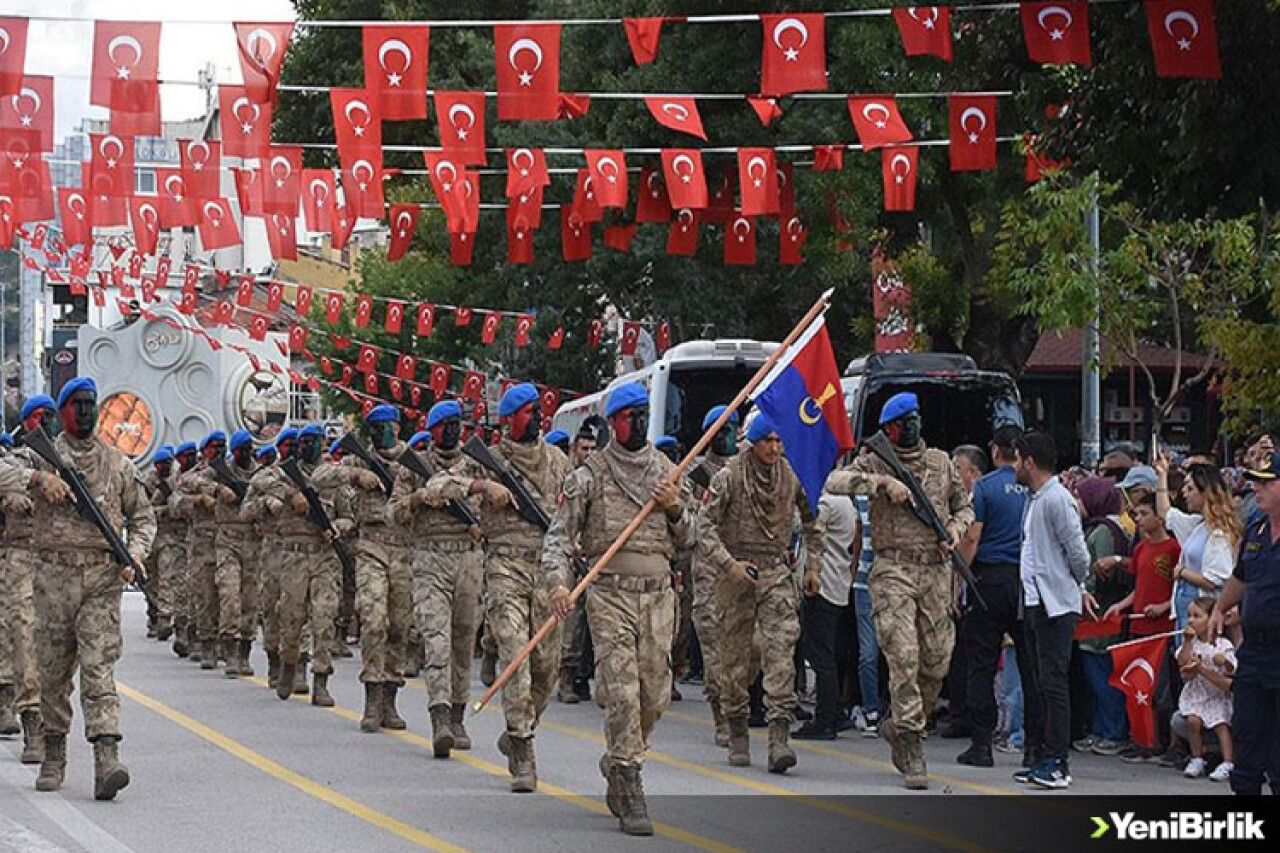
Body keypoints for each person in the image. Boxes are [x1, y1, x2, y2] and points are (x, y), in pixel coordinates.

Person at [544, 382, 691, 835]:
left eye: (643, 414)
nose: (638, 422)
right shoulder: (590, 475)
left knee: (655, 694)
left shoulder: (668, 471)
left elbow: (688, 541)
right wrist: (557, 585)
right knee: (623, 692)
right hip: (610, 594)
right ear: (613, 423)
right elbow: (557, 537)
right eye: (629, 416)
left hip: (659, 594)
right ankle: (629, 781)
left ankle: (620, 758)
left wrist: (674, 510)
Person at [424, 383, 568, 793]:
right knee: (516, 660)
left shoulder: (558, 460)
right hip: (504, 568)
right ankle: (523, 753)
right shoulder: (486, 461)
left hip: (548, 570)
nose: (536, 417)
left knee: (546, 670)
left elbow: (573, 512)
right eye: (526, 411)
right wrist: (481, 487)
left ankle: (519, 732)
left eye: (538, 409)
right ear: (508, 420)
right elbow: (436, 487)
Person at [826, 392, 973, 790]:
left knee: (937, 661)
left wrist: (956, 532)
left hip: (935, 571)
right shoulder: (875, 460)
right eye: (903, 421)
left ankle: (905, 722)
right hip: (892, 570)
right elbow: (834, 481)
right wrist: (879, 483)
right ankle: (912, 744)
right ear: (889, 429)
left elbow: (964, 507)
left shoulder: (941, 463)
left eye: (915, 418)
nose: (911, 426)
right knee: (903, 657)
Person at [29, 377, 156, 799]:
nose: (84, 412)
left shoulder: (118, 464)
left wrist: (135, 554)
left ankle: (107, 759)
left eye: (90, 405)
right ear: (63, 412)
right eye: (77, 405)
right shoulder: (41, 456)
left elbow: (143, 519)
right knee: (53, 671)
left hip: (101, 580)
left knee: (99, 669)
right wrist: (36, 480)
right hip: (53, 578)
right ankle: (53, 753)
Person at [700, 411, 823, 774]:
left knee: (780, 653)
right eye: (767, 441)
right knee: (735, 664)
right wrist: (728, 565)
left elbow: (814, 521)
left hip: (775, 575)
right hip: (736, 576)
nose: (774, 447)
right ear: (753, 443)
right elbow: (703, 526)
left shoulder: (792, 477)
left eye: (778, 441)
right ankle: (737, 731)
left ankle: (779, 739)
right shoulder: (728, 478)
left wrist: (813, 566)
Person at [390, 404, 487, 757]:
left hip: (468, 557)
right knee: (436, 639)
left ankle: (459, 713)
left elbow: (492, 507)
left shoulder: (476, 464)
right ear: (431, 429)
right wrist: (416, 500)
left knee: (463, 640)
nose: (450, 430)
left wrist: (481, 527)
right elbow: (393, 513)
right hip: (430, 558)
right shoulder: (414, 467)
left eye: (454, 424)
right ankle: (440, 717)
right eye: (443, 425)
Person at [954, 426, 1042, 771]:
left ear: (994, 451)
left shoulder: (984, 488)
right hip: (1026, 583)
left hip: (989, 580)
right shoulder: (1034, 487)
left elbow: (972, 539)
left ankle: (981, 744)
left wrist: (959, 578)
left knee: (981, 664)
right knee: (1030, 667)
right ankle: (1034, 747)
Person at [1012, 431, 1091, 790]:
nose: (1014, 466)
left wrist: (1073, 587)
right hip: (1035, 601)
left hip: (1055, 605)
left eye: (1017, 459)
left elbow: (1078, 554)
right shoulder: (1037, 499)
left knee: (1054, 683)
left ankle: (1058, 761)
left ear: (1029, 462)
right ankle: (1045, 756)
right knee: (1042, 683)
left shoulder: (1057, 499)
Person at [247, 424, 348, 705]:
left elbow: (349, 516)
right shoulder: (282, 475)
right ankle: (289, 664)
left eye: (312, 441)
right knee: (291, 619)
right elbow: (257, 485)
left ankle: (321, 680)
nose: (306, 446)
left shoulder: (333, 479)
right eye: (303, 442)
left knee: (325, 618)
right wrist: (289, 496)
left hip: (324, 556)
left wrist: (337, 528)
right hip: (292, 555)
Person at [339, 405, 414, 733]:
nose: (382, 432)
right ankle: (371, 696)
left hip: (404, 549)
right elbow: (320, 476)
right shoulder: (357, 459)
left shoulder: (413, 461)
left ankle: (389, 698)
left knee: (399, 625)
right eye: (375, 427)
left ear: (397, 427)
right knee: (372, 619)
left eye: (386, 426)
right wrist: (356, 476)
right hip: (370, 546)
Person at [1209, 449, 1280, 796]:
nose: (1258, 490)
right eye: (1255, 483)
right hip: (1254, 652)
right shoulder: (1257, 529)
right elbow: (1240, 576)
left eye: (1266, 483)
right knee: (1247, 741)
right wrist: (1220, 608)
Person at [0, 395, 60, 766]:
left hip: (57, 560)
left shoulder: (71, 457)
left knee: (53, 641)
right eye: (43, 418)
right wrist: (32, 482)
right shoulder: (17, 458)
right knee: (19, 631)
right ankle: (30, 721)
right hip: (17, 555)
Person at [689, 405, 740, 747]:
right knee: (713, 646)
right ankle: (722, 715)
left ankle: (740, 706)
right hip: (708, 569)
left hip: (739, 568)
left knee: (743, 647)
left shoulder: (745, 470)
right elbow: (690, 526)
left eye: (731, 429)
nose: (727, 436)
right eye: (720, 431)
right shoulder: (694, 476)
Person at [1074, 475, 1134, 757]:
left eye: (1081, 496)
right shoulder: (1108, 527)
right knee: (1095, 673)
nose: (1077, 501)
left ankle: (1113, 732)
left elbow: (1100, 573)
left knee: (1101, 674)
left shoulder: (1103, 532)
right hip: (1099, 613)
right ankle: (1100, 730)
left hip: (1099, 615)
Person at [793, 490, 857, 741]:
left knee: (820, 655)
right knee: (828, 653)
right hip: (836, 581)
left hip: (821, 585)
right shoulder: (846, 501)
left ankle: (825, 719)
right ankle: (834, 712)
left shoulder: (827, 501)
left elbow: (803, 525)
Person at [1155, 456, 1241, 630]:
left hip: (1203, 609)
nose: (1184, 493)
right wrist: (1162, 475)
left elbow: (1216, 579)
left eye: (1190, 488)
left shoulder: (1219, 534)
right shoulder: (1197, 525)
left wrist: (1183, 572)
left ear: (1205, 493)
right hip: (1186, 606)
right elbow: (1165, 513)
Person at [172, 431, 228, 669]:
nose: (220, 451)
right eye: (215, 447)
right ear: (204, 451)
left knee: (227, 594)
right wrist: (198, 500)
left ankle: (225, 643)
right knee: (203, 594)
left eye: (223, 446)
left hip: (229, 542)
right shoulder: (191, 478)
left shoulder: (234, 472)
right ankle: (204, 641)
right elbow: (175, 504)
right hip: (201, 543)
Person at [211, 429, 261, 678]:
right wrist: (218, 490)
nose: (245, 454)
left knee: (250, 601)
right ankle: (229, 649)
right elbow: (191, 483)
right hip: (228, 542)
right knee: (230, 596)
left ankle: (244, 652)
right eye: (241, 450)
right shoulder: (221, 472)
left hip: (253, 543)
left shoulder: (259, 475)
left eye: (247, 450)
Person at [1175, 596, 1235, 781]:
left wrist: (1223, 662)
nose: (1191, 620)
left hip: (1216, 696)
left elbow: (1232, 670)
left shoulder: (1223, 645)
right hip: (1197, 695)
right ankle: (1197, 757)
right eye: (1189, 616)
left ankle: (1228, 762)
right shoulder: (1192, 645)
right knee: (1193, 721)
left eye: (1197, 616)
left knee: (1220, 725)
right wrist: (1186, 642)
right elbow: (1182, 662)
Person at [141, 445, 181, 644]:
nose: (163, 468)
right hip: (150, 535)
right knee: (150, 579)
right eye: (160, 465)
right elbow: (143, 509)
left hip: (167, 535)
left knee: (166, 576)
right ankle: (154, 615)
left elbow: (177, 507)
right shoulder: (148, 481)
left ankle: (165, 619)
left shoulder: (176, 480)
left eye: (166, 464)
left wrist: (162, 508)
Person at [170, 441, 199, 659]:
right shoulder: (177, 480)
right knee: (182, 586)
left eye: (193, 455)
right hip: (178, 540)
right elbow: (174, 505)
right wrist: (196, 502)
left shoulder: (206, 474)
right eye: (185, 456)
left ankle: (203, 636)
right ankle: (182, 630)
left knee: (205, 590)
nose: (190, 459)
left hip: (209, 540)